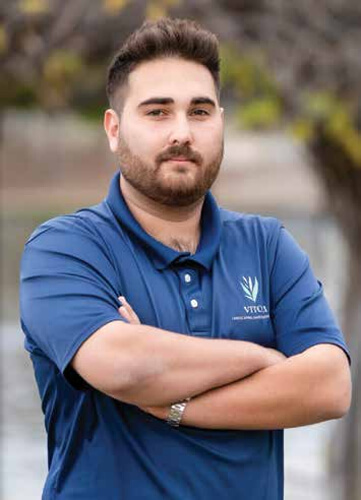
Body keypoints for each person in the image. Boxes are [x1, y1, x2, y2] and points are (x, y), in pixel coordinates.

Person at [20, 18, 351, 500]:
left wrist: (170, 405)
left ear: (220, 120)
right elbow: (123, 368)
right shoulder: (65, 248)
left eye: (199, 111)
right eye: (157, 112)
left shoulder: (267, 245)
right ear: (114, 130)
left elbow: (329, 386)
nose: (182, 132)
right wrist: (263, 358)